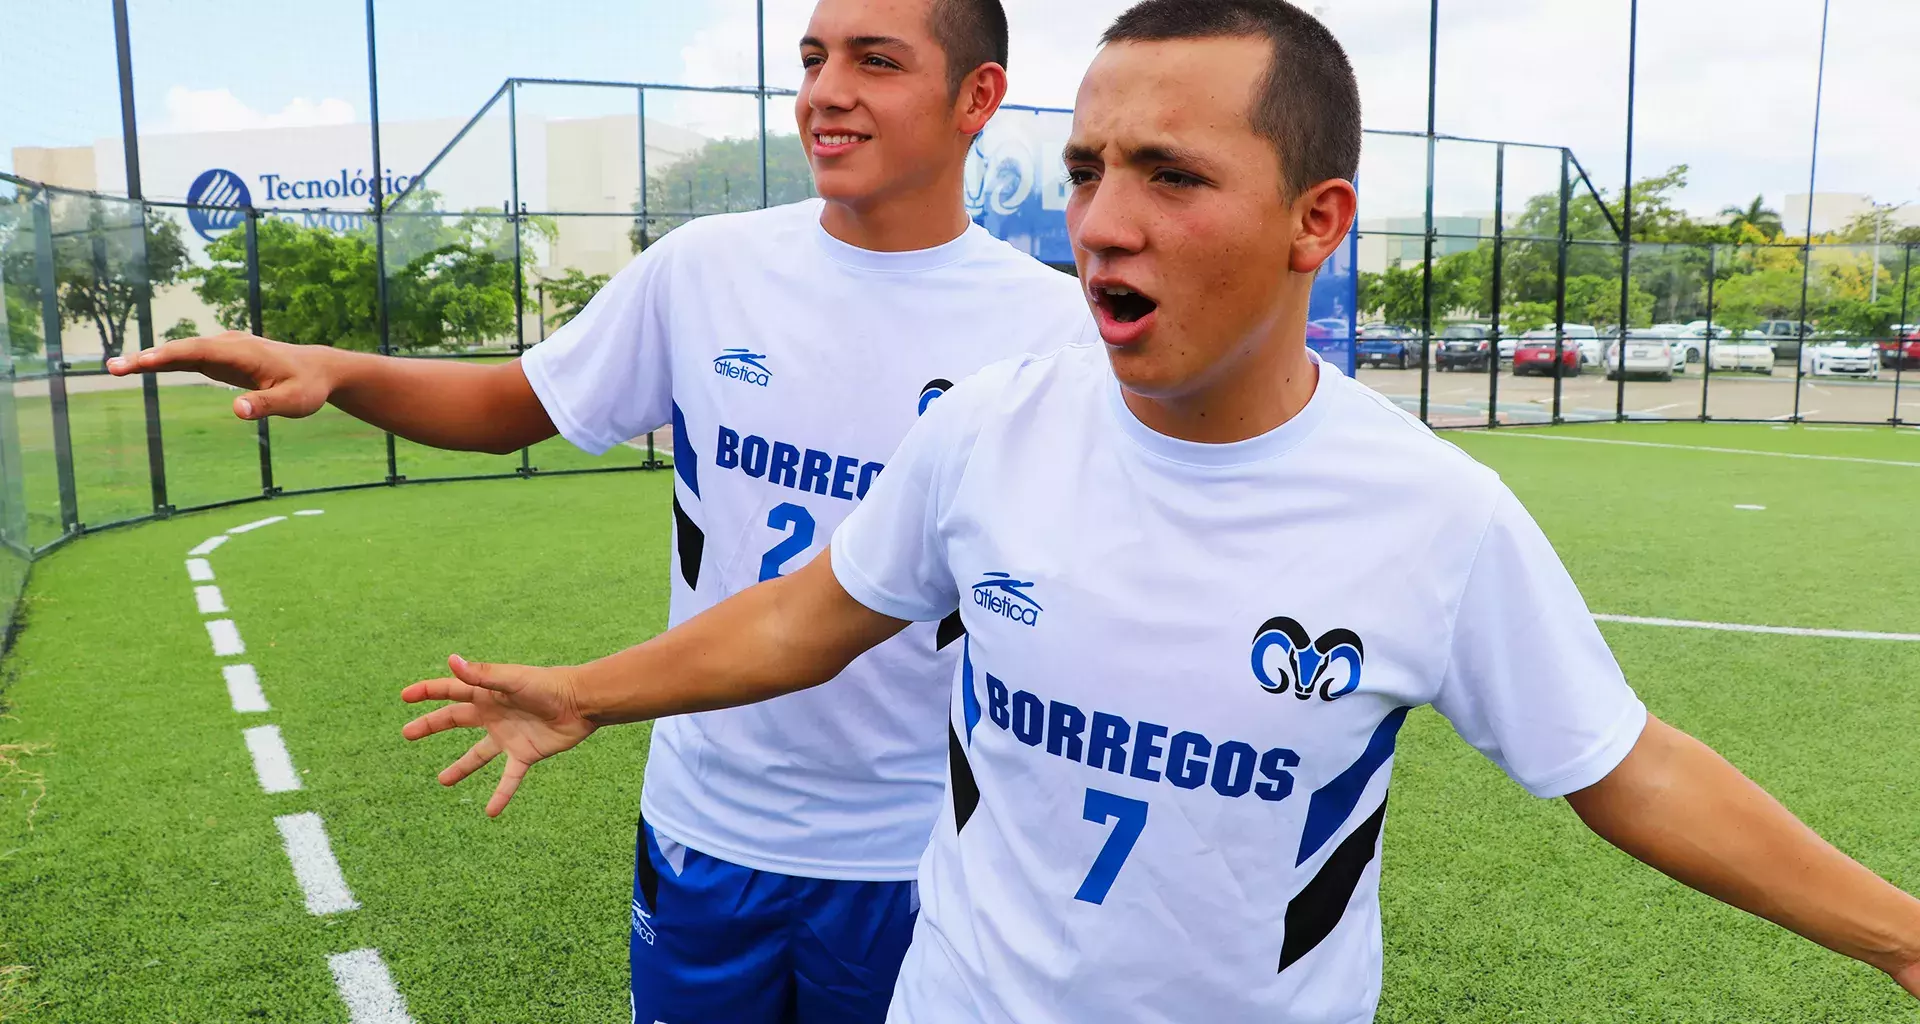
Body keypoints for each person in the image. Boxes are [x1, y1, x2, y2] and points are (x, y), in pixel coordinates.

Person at [394, 0, 1920, 1020]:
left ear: (1316, 220)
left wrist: (1904, 940)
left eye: (1173, 174)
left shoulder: (1432, 516)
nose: (1107, 218)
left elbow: (1625, 764)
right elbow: (810, 614)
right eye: (1086, 167)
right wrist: (585, 696)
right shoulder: (992, 427)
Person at [108, 1, 1093, 1020]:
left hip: (916, 850)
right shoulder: (706, 269)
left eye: (876, 60)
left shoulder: (1054, 334)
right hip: (706, 827)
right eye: (812, 58)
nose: (827, 89)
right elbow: (509, 406)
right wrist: (338, 370)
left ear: (976, 96)